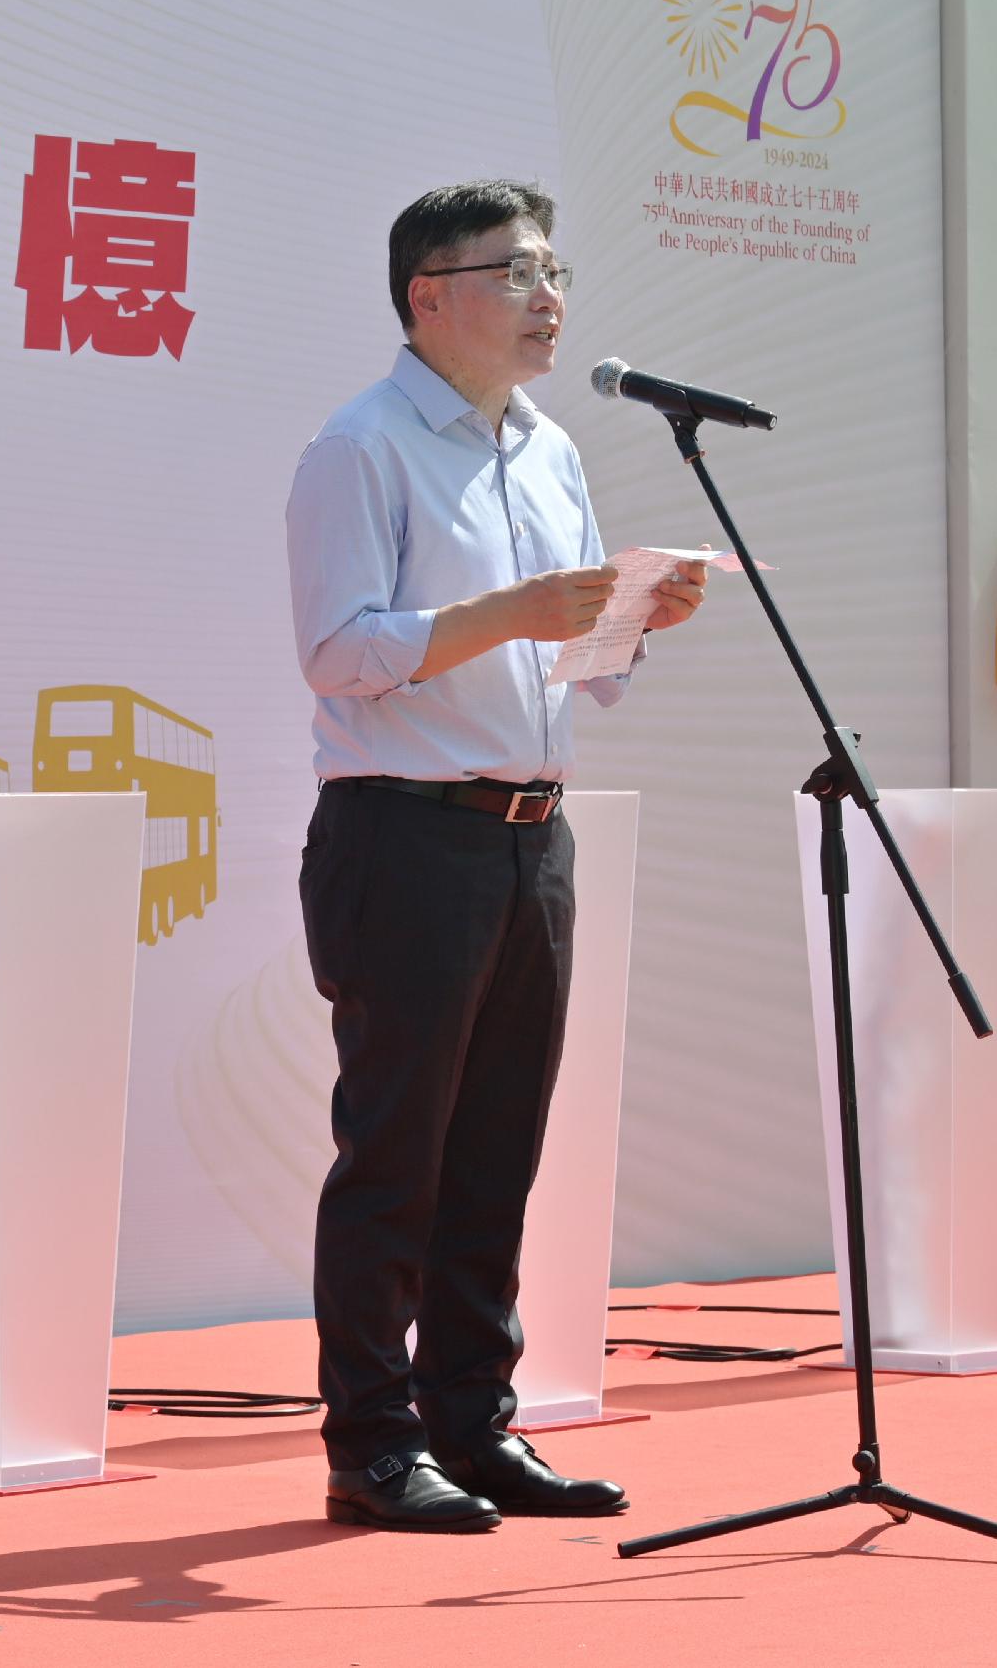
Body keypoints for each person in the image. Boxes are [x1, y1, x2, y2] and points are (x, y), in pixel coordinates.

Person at [281, 179, 706, 1535]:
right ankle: (372, 1445)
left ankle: (476, 1427)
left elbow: (584, 675)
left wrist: (639, 617)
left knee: (498, 1154)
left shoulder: (550, 450)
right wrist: (505, 610)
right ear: (428, 295)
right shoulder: (360, 451)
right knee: (395, 1154)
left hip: (534, 838)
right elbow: (341, 651)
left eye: (552, 269)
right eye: (515, 272)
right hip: (403, 833)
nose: (547, 296)